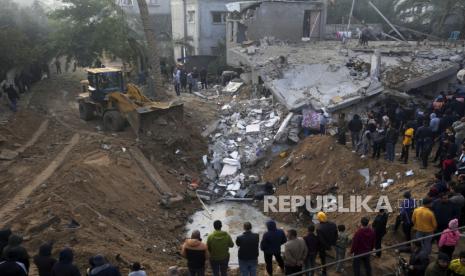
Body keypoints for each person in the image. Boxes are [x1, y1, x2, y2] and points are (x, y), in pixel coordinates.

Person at [316, 212, 338, 276]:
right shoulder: (333, 224)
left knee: (323, 260)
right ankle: (337, 268)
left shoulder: (319, 228)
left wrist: (328, 247)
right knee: (337, 257)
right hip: (332, 243)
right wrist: (333, 243)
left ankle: (324, 272)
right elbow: (336, 234)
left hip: (323, 247)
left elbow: (321, 240)